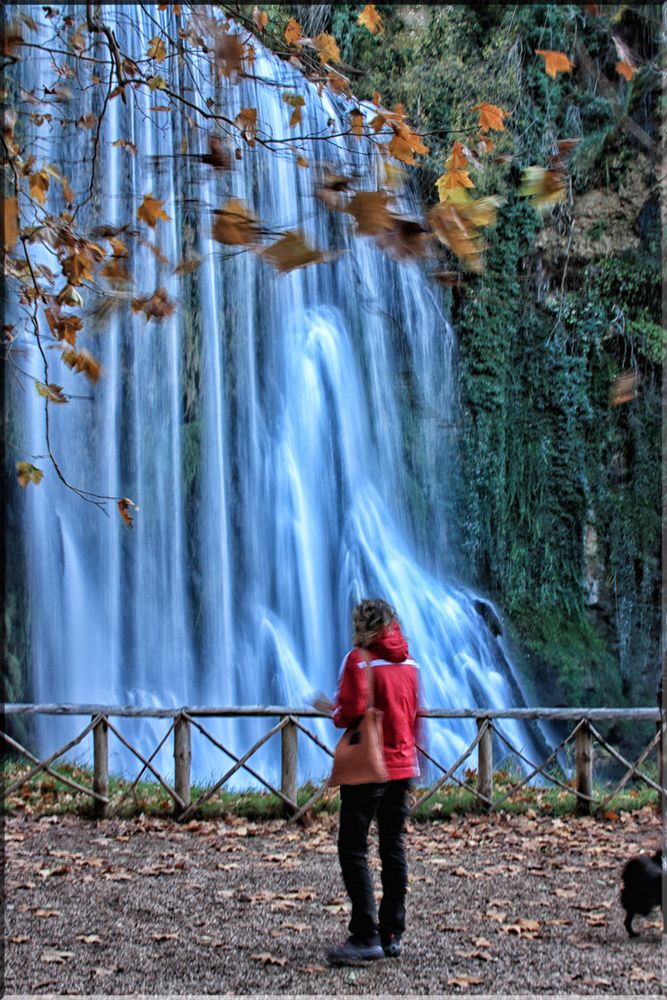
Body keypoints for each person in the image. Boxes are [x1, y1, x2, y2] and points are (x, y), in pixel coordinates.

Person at [325, 598, 421, 966]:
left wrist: (333, 710)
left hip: (369, 766)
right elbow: (414, 714)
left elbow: (347, 710)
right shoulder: (411, 664)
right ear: (392, 624)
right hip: (403, 764)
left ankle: (365, 934)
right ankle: (392, 932)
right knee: (392, 847)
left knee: (352, 847)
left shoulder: (359, 661)